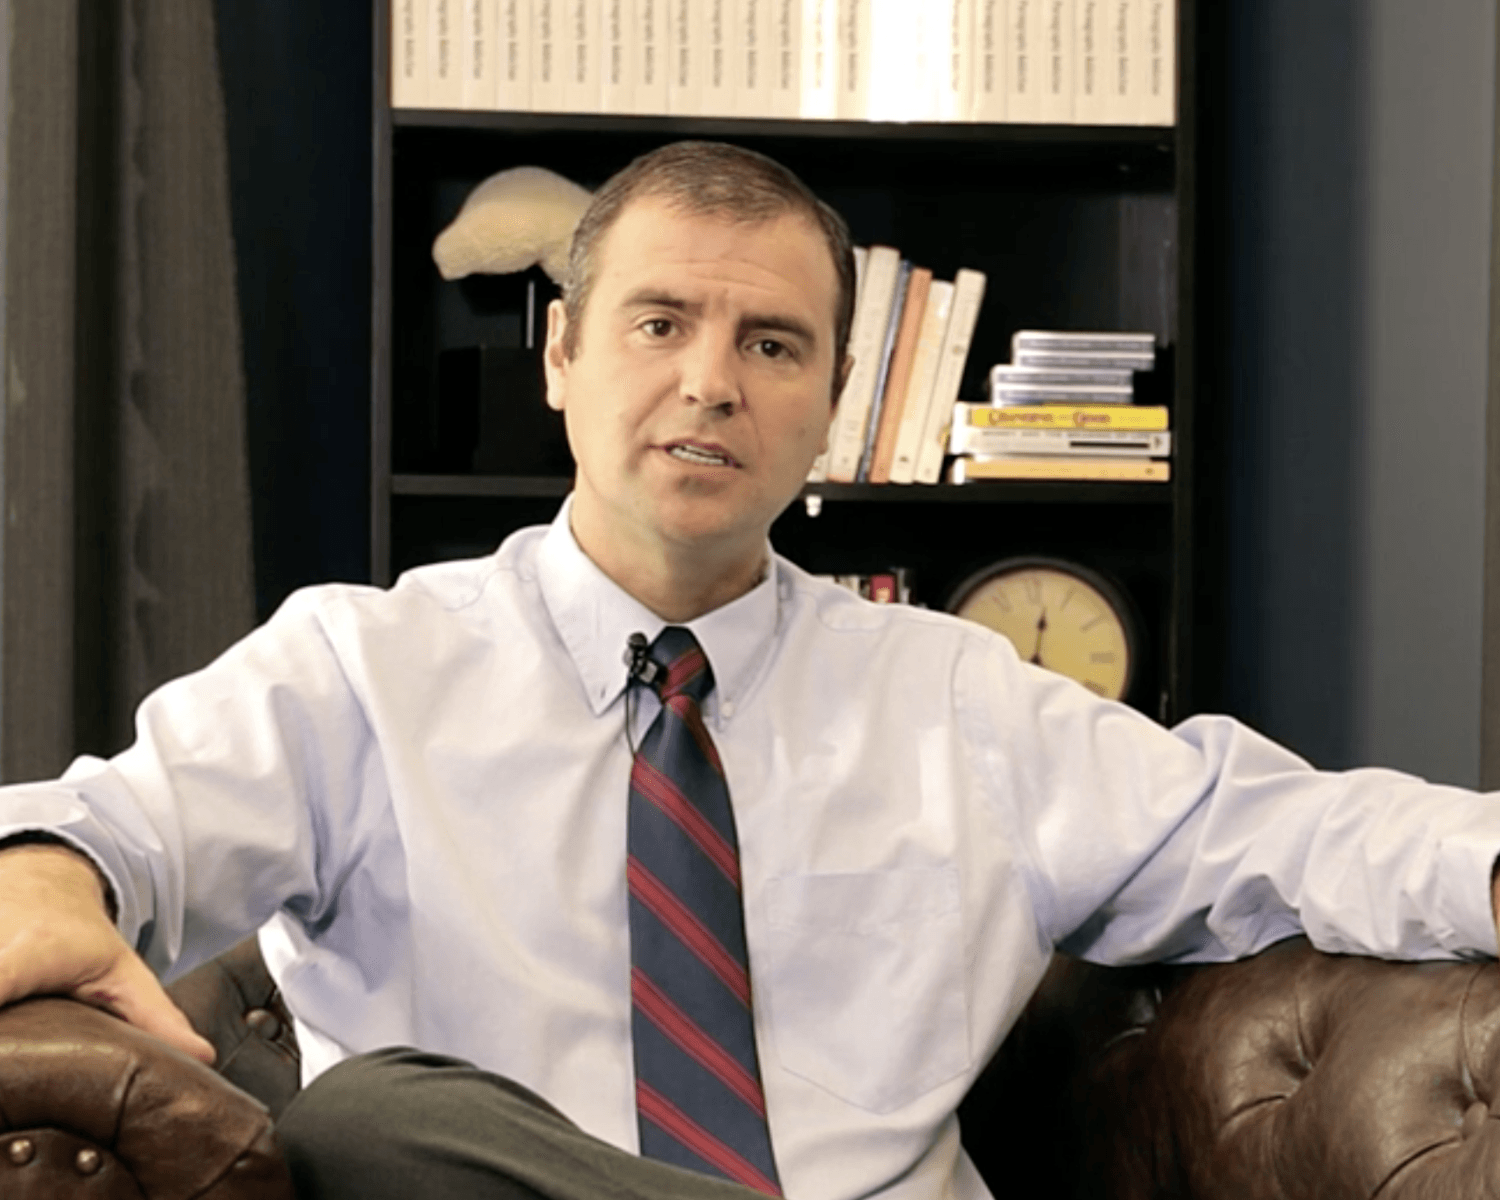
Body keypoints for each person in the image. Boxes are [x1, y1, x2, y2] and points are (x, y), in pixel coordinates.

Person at [1, 139, 1499, 1200]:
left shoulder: (958, 699)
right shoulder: (361, 668)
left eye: (774, 345)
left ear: (831, 406)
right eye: (662, 323)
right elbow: (111, 827)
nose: (712, 379)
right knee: (377, 1130)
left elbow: (1276, 827)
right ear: (562, 356)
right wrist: (51, 883)